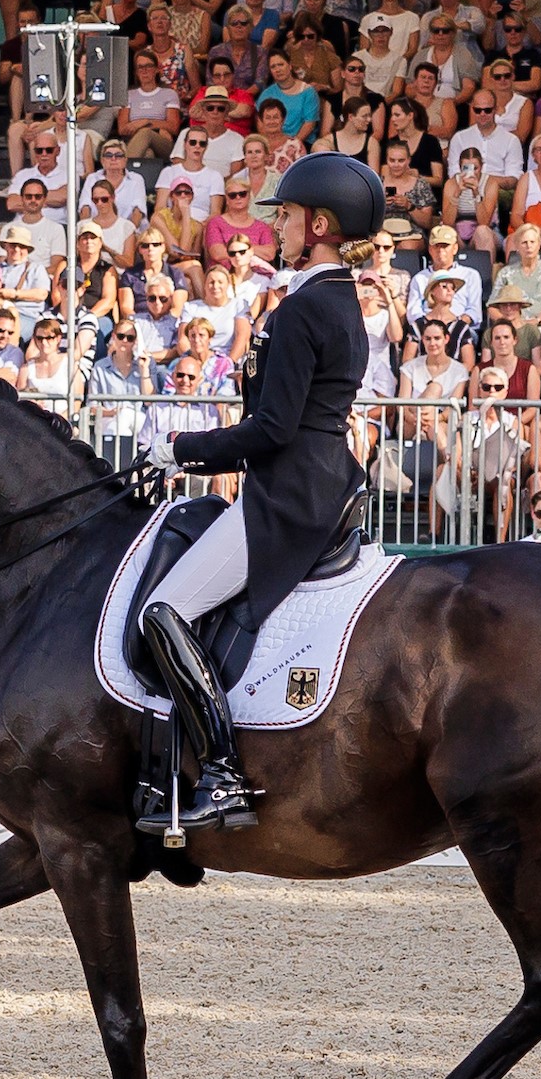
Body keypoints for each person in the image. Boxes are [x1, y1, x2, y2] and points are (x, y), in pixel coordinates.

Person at [136, 150, 379, 832]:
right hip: (318, 483)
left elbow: (271, 427)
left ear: (322, 224)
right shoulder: (336, 298)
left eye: (290, 214)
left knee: (165, 610)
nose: (279, 226)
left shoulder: (304, 307)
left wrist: (180, 448)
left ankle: (220, 773)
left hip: (287, 495)